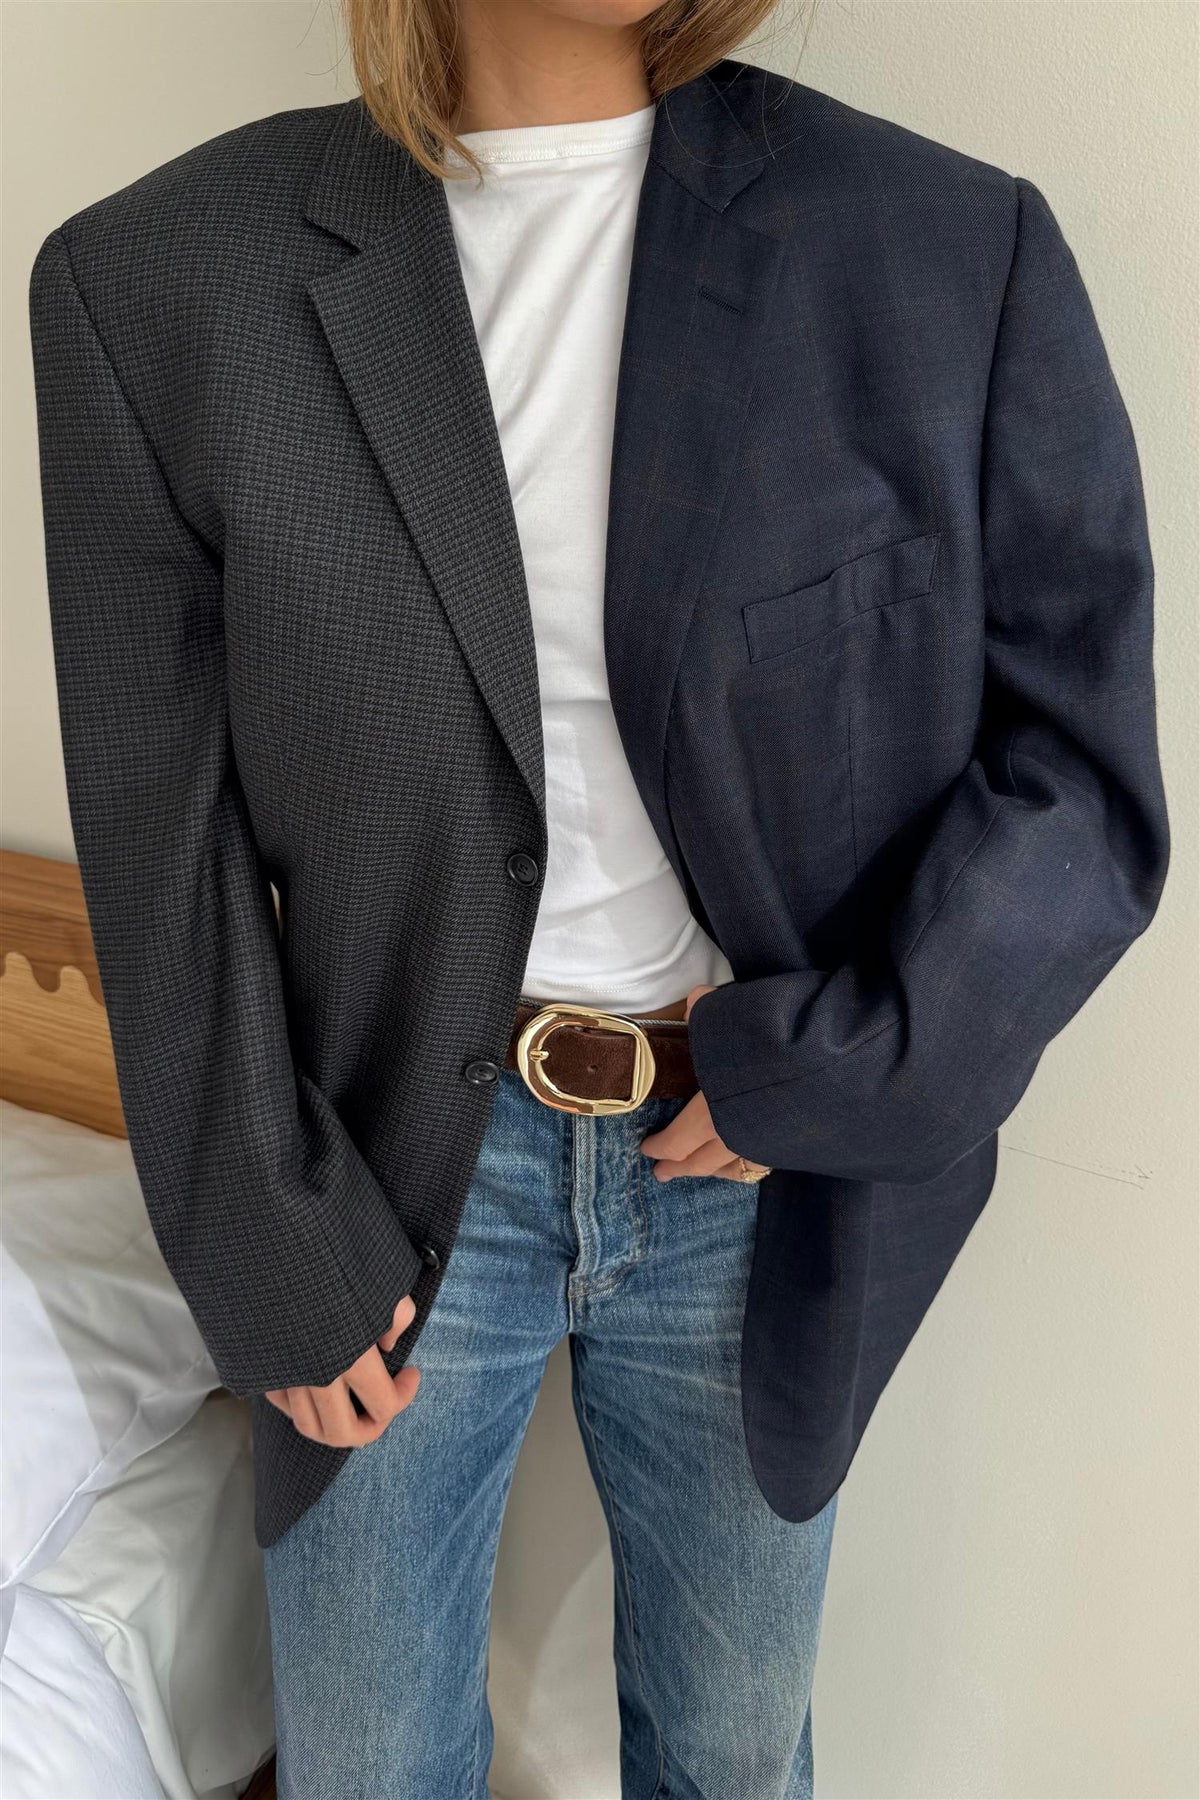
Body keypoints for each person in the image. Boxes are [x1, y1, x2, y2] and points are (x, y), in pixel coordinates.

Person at [27, 0, 1169, 1788]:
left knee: (733, 1753)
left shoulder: (944, 250)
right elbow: (156, 839)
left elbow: (1079, 781)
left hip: (760, 1170)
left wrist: (839, 1065)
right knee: (365, 1763)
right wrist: (263, 1233)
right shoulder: (161, 284)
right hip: (383, 1175)